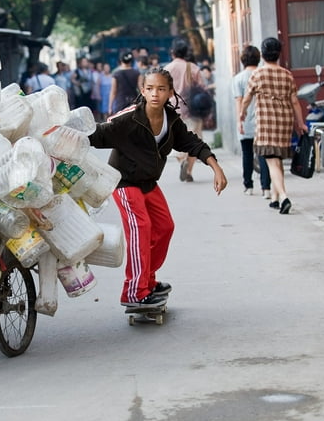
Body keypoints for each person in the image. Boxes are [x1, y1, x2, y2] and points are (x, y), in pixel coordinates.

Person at [89, 67, 228, 308]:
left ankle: (147, 281)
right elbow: (97, 133)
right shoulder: (128, 119)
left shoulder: (171, 121)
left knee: (164, 227)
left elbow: (192, 142)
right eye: (150, 89)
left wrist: (216, 167)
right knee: (141, 228)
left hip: (148, 182)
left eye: (161, 89)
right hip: (124, 182)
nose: (155, 94)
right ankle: (134, 291)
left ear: (170, 92)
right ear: (143, 91)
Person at [239, 37, 306, 215]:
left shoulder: (257, 74)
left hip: (266, 123)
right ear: (279, 54)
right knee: (277, 160)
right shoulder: (287, 74)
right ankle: (275, 199)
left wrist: (242, 113)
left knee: (271, 161)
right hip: (284, 122)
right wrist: (300, 123)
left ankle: (283, 196)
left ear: (262, 54)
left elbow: (247, 98)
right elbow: (295, 102)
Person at [232, 45, 271, 197]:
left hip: (246, 120)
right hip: (263, 120)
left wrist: (239, 121)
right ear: (258, 58)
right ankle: (266, 188)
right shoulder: (263, 74)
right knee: (263, 154)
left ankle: (248, 186)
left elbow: (239, 101)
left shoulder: (238, 78)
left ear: (243, 60)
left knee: (247, 154)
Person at [164, 38, 203, 182]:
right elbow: (202, 89)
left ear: (173, 52)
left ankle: (182, 160)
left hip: (172, 110)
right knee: (194, 141)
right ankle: (189, 171)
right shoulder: (193, 68)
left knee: (177, 139)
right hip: (193, 110)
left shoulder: (167, 69)